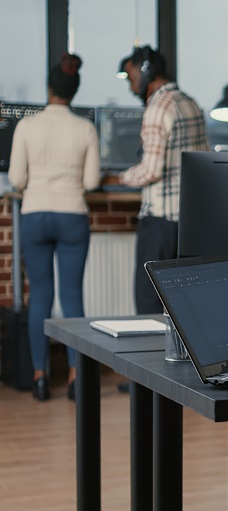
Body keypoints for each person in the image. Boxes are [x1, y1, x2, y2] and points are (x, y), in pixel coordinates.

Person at [8, 53, 101, 401]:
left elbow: (17, 177)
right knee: (72, 298)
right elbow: (91, 181)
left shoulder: (28, 127)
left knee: (40, 299)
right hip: (72, 214)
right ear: (74, 91)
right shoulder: (85, 128)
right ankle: (76, 378)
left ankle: (40, 377)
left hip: (34, 214)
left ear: (49, 89)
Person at [117, 45, 209, 315]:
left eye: (132, 79)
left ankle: (148, 358)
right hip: (189, 220)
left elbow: (151, 170)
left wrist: (120, 177)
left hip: (160, 221)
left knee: (149, 300)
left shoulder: (158, 107)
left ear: (146, 73)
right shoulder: (189, 102)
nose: (132, 87)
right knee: (185, 302)